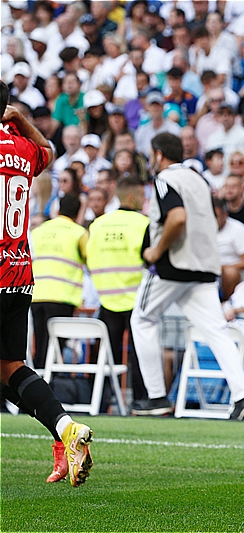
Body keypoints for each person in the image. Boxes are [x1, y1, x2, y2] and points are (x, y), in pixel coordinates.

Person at [0, 83, 93, 487]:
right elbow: (50, 154)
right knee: (9, 367)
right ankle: (65, 429)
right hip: (18, 273)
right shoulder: (21, 146)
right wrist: (21, 120)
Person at [129, 133, 244, 420]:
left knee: (142, 319)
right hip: (204, 265)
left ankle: (156, 396)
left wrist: (156, 250)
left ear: (159, 155)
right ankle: (242, 396)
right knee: (216, 330)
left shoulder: (164, 179)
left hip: (173, 264)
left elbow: (177, 217)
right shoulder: (199, 178)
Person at [85, 177, 149, 408]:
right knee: (139, 357)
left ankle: (100, 403)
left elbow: (89, 258)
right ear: (131, 197)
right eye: (142, 196)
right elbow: (149, 258)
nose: (145, 200)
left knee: (105, 358)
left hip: (107, 298)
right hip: (136, 300)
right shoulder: (143, 223)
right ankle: (142, 403)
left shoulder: (97, 225)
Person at [30, 194, 88, 370]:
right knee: (55, 349)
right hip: (62, 297)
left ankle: (36, 388)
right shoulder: (79, 232)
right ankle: (47, 389)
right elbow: (89, 259)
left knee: (40, 347)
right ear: (78, 212)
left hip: (36, 295)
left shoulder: (38, 230)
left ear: (57, 209)